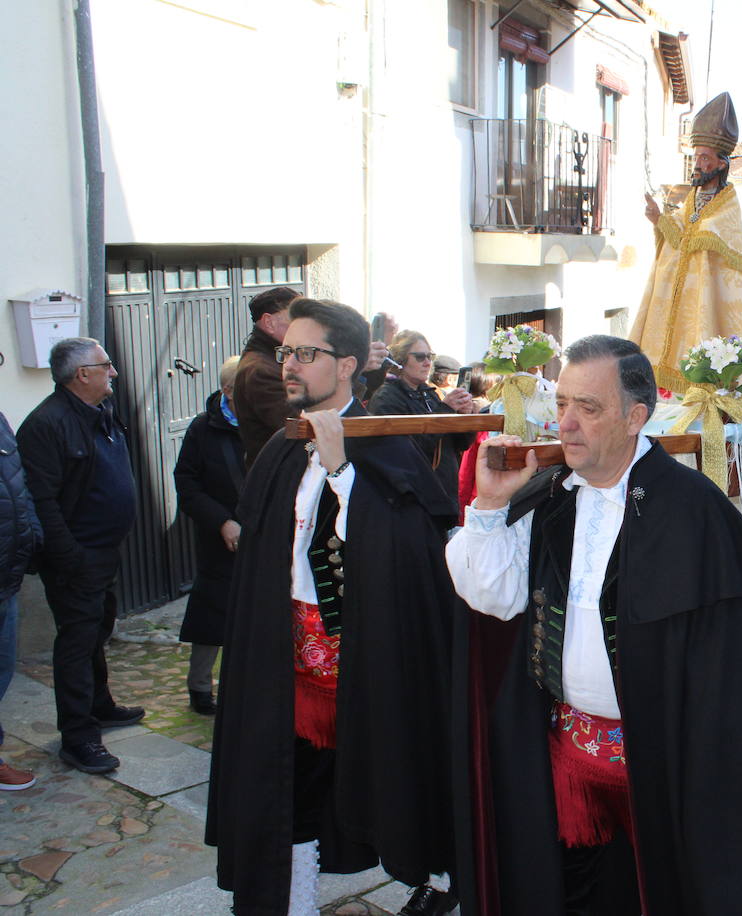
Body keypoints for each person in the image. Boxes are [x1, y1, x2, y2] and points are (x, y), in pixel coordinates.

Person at [447, 335, 742, 915]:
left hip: (665, 770)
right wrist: (491, 507)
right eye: (563, 403)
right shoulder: (550, 495)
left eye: (588, 408)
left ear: (635, 417)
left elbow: (731, 682)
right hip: (566, 758)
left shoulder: (693, 510)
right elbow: (491, 596)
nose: (565, 423)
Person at [206, 299, 475, 916]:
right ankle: (289, 901)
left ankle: (436, 881)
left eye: (306, 353)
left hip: (371, 666)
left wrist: (342, 470)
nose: (289, 366)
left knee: (397, 778)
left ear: (348, 364)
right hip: (291, 666)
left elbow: (412, 551)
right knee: (287, 790)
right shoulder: (279, 445)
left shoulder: (385, 445)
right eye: (285, 353)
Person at [17, 338, 144, 774]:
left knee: (96, 630)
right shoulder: (46, 425)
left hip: (104, 551)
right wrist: (70, 557)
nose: (113, 372)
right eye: (105, 365)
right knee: (76, 642)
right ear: (81, 375)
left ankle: (100, 704)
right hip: (75, 557)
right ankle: (78, 736)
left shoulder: (100, 412)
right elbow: (42, 501)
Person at [633, 93, 742, 393]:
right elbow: (681, 234)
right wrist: (658, 219)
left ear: (722, 164)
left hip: (705, 299)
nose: (697, 164)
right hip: (681, 296)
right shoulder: (692, 198)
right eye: (696, 157)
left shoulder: (729, 203)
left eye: (705, 158)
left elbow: (708, 234)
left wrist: (678, 231)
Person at [172, 356, 245, 716]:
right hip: (220, 538)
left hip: (264, 532)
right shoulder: (203, 428)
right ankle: (200, 686)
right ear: (229, 389)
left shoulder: (269, 419)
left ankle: (248, 684)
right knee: (211, 614)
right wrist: (221, 521)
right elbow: (186, 485)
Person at [367, 330, 478, 503]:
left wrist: (465, 416)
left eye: (430, 356)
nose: (427, 363)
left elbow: (459, 444)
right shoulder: (387, 397)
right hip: (412, 499)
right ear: (400, 360)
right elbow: (407, 451)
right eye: (420, 357)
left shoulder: (429, 394)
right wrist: (445, 410)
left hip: (441, 494)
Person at [0, 410, 41, 790]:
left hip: (7, 574)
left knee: (2, 669)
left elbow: (19, 484)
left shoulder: (1, 422)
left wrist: (32, 536)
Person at [235, 286, 300, 467]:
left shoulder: (274, 359)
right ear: (269, 322)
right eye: (296, 317)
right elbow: (299, 428)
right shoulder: (260, 370)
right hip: (278, 480)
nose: (304, 325)